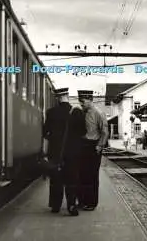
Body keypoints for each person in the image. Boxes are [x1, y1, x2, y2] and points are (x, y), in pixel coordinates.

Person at [41, 88, 85, 216]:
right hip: (72, 152)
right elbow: (83, 132)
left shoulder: (51, 113)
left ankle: (55, 206)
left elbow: (45, 132)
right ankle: (71, 205)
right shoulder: (77, 112)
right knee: (72, 179)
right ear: (67, 96)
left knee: (56, 179)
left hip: (55, 152)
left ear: (57, 97)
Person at [77, 90, 109, 211]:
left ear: (90, 100)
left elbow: (105, 131)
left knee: (92, 176)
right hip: (84, 146)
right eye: (80, 102)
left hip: (93, 147)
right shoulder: (83, 113)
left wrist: (99, 146)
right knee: (82, 175)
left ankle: (91, 203)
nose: (82, 104)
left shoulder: (98, 113)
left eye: (83, 102)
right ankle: (83, 201)